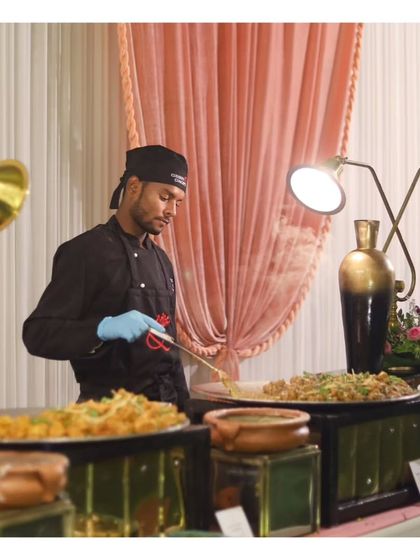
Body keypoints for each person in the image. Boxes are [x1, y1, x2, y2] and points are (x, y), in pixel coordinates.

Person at [22, 144, 190, 409]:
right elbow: (38, 334)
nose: (172, 211)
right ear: (134, 186)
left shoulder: (162, 262)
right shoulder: (86, 252)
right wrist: (102, 328)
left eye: (178, 202)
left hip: (164, 414)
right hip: (108, 414)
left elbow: (171, 352)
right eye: (165, 197)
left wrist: (187, 416)